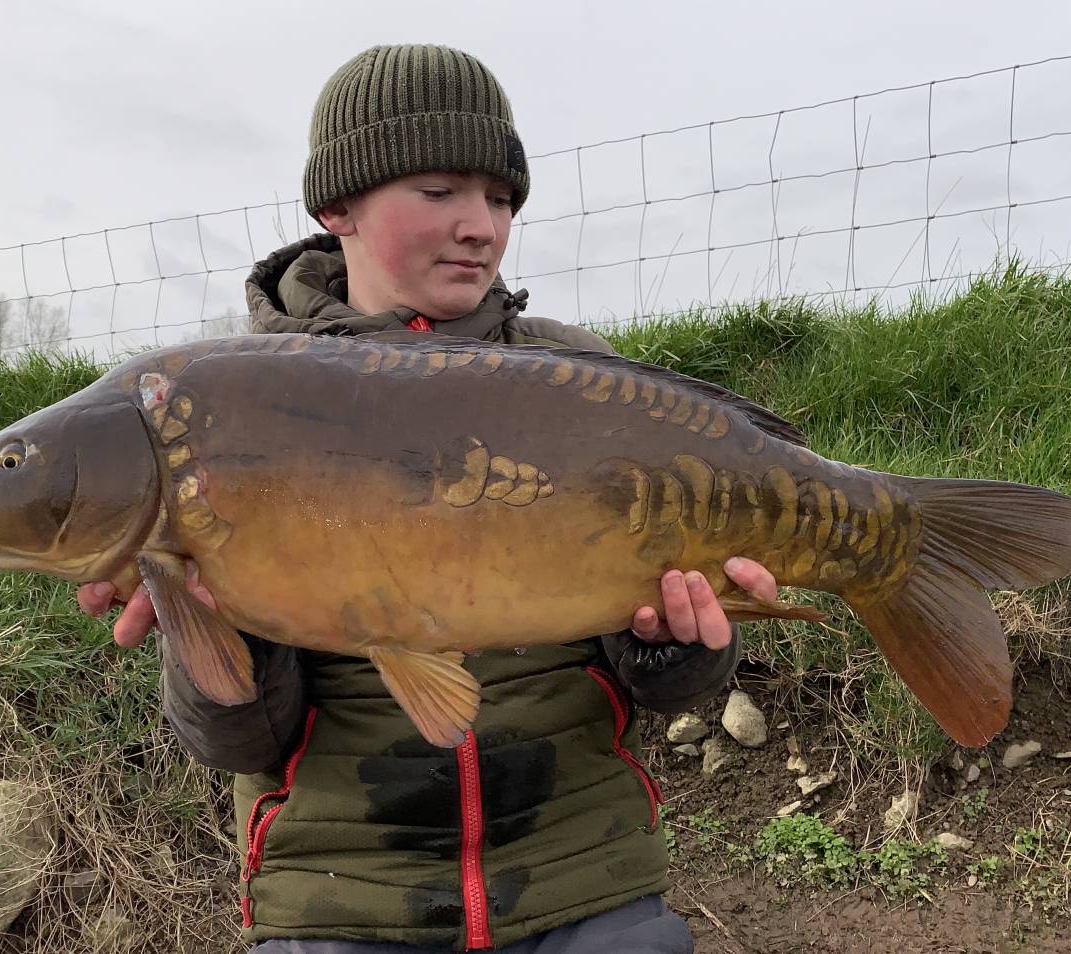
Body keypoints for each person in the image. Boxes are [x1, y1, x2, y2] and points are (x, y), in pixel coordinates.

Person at [79, 43, 778, 953]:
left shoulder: (582, 382)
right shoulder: (225, 411)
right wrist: (221, 626)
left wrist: (677, 647)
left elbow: (665, 690)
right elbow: (241, 744)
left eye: (501, 198)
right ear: (339, 206)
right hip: (340, 899)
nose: (481, 226)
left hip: (585, 878)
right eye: (442, 192)